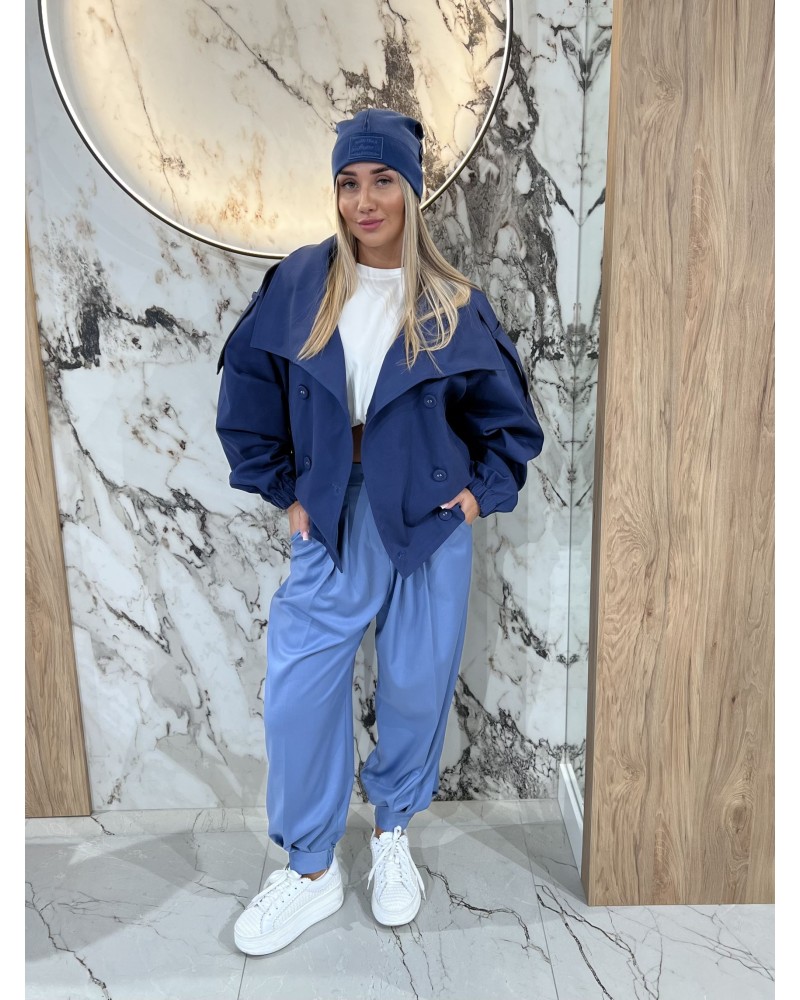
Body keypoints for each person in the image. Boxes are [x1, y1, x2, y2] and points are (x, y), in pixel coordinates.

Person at [216, 108, 544, 956]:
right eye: (349, 183)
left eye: (383, 180)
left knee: (414, 685)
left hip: (429, 522)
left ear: (411, 190)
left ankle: (393, 832)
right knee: (300, 688)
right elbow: (247, 396)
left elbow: (510, 427)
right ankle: (310, 871)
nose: (365, 201)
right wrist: (285, 492)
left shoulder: (453, 304)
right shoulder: (300, 284)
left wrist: (473, 500)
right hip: (332, 513)